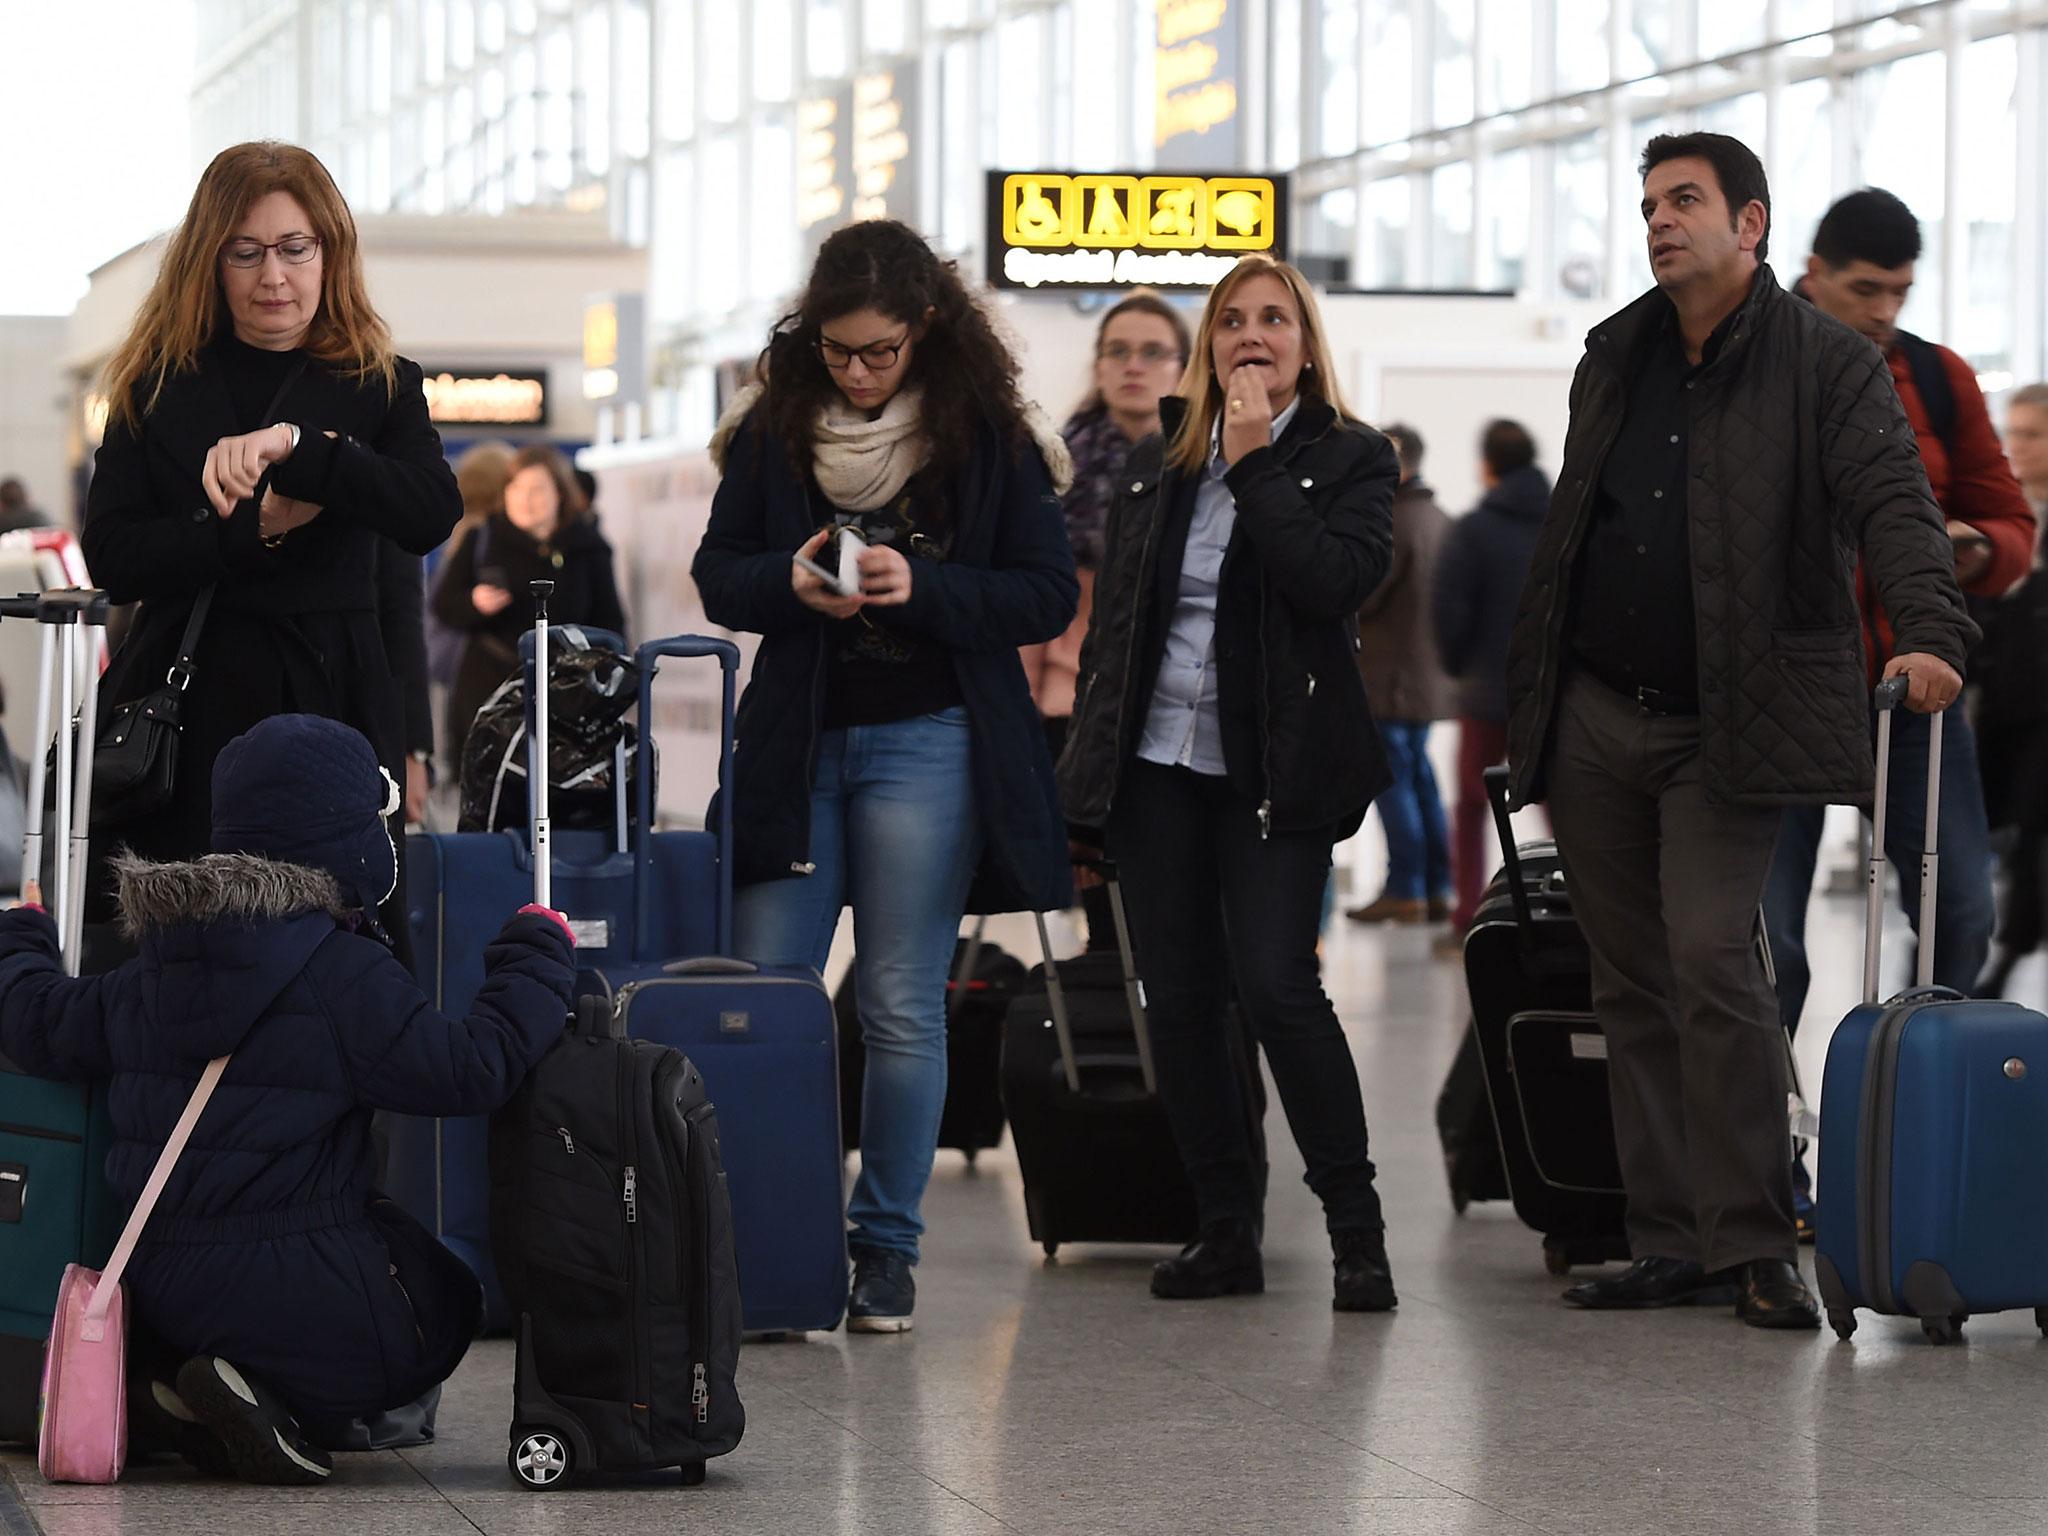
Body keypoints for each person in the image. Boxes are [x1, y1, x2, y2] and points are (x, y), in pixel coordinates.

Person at [1502, 133, 1975, 1330]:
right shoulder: (1615, 351)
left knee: (1713, 959)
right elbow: (1576, 527)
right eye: (1647, 205)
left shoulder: (1826, 362)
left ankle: (1755, 1238)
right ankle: (1667, 1237)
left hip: (1731, 719)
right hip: (1596, 711)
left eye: (1682, 201)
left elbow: (1893, 503)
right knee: (1628, 983)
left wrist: (1929, 632)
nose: (1657, 221)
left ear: (1749, 223)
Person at [0, 714, 575, 1483]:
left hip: (151, 1278)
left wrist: (22, 938)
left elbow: (39, 1021)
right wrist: (538, 954)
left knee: (375, 1230)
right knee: (442, 1303)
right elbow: (471, 1068)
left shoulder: (155, 964)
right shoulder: (344, 975)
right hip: (290, 1286)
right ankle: (277, 1397)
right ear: (345, 839)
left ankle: (179, 1383)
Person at [691, 219, 1078, 1333]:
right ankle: (770, 1242)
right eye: (837, 350)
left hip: (932, 741)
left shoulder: (987, 435)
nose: (856, 373)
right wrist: (789, 582)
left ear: (926, 331)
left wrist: (925, 587)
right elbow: (719, 573)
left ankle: (885, 1251)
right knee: (766, 998)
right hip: (797, 745)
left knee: (904, 1004)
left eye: (879, 352)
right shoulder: (772, 425)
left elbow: (1045, 593)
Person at [1058, 254, 1401, 1312]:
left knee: (1278, 988)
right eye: (1232, 320)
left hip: (1275, 771)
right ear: (1210, 345)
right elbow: (1120, 625)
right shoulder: (1163, 458)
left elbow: (1334, 583)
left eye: (1274, 319)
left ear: (1306, 344)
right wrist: (1088, 776)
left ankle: (1356, 1234)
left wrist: (1255, 464)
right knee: (1180, 1001)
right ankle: (1222, 1229)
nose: (1252, 336)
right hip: (1158, 766)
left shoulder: (1351, 456)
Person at [79, 140, 461, 960]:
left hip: (335, 701)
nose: (273, 277)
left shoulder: (379, 382)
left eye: (294, 248)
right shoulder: (154, 382)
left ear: (330, 252)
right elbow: (110, 555)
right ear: (209, 261)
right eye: (245, 253)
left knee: (341, 956)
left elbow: (430, 512)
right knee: (187, 955)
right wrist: (247, 532)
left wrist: (302, 448)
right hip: (190, 699)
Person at [1763, 192, 2034, 1167]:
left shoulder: (1936, 376)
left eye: (1900, 293)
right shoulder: (1751, 363)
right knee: (1768, 947)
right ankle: (1765, 1156)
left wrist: (1968, 551)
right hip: (1774, 704)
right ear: (1813, 273)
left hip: (1912, 698)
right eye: (1864, 290)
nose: (1883, 311)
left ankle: (1918, 1131)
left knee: (1961, 914)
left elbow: (2009, 523)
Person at [1024, 289, 1190, 945]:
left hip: (1178, 702)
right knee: (1104, 915)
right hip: (1075, 704)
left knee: (1177, 905)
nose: (1134, 366)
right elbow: (1033, 601)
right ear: (1098, 365)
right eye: (1118, 351)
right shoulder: (1055, 465)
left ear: (1183, 365)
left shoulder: (1206, 466)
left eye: (1153, 352)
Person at [1431, 419, 1550, 955]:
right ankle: (1584, 910)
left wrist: (1458, 666)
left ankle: (1467, 916)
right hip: (1548, 693)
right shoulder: (1561, 521)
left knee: (1471, 805)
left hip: (1484, 692)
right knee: (1565, 808)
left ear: (1487, 466)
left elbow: (1449, 608)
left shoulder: (1475, 529)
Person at [432, 443, 626, 767]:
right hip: (490, 688)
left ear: (559, 493)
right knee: (492, 785)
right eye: (516, 488)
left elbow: (610, 622)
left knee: (559, 784)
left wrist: (599, 683)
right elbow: (443, 604)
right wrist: (474, 604)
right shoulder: (483, 538)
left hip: (566, 693)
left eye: (536, 489)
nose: (525, 499)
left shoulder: (588, 547)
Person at [1346, 422, 1452, 925]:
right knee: (1422, 782)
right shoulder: (1440, 520)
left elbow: (1360, 594)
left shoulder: (1392, 522)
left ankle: (1404, 888)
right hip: (1426, 681)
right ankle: (1436, 886)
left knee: (1395, 784)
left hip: (1390, 680)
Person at [1973, 382, 2048, 996]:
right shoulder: (1999, 516)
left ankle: (2003, 960)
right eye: (2013, 433)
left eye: (2032, 434)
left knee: (2031, 837)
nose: (2017, 446)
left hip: (2041, 715)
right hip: (1998, 708)